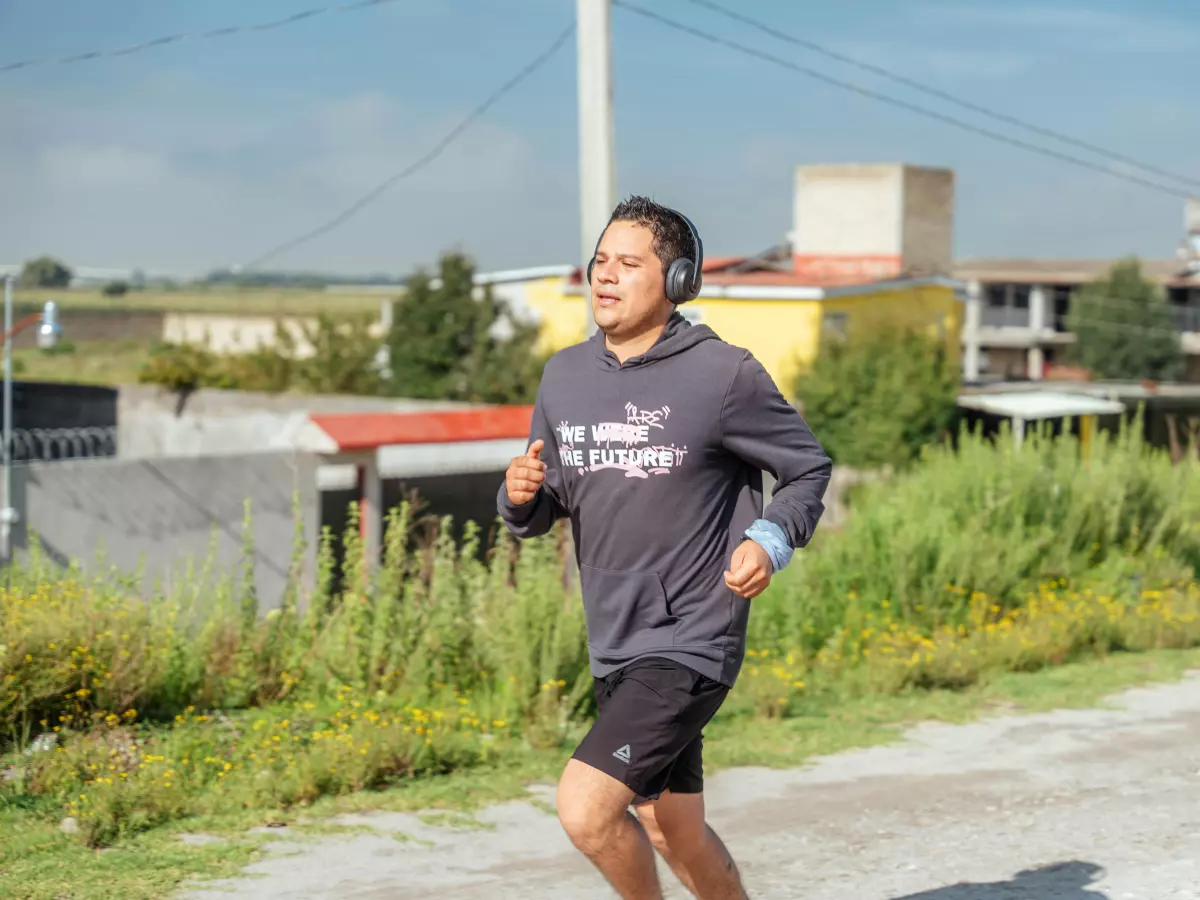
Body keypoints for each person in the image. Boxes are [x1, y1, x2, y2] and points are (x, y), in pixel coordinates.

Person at [498, 196, 831, 900]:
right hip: (613, 638)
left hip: (690, 640)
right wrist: (520, 495)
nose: (605, 277)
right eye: (598, 263)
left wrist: (770, 539)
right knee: (669, 829)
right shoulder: (563, 377)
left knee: (586, 810)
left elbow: (807, 467)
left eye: (628, 263)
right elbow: (547, 507)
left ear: (679, 280)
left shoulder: (723, 376)